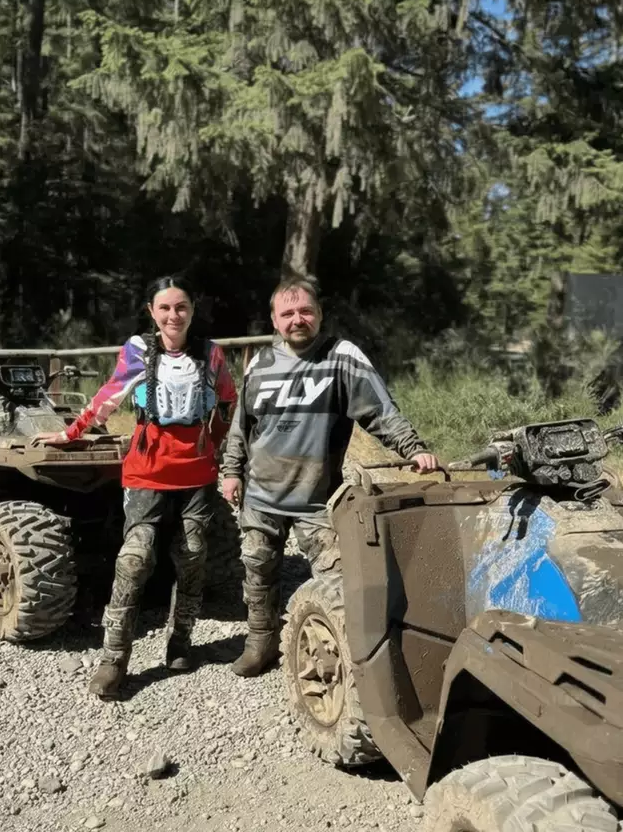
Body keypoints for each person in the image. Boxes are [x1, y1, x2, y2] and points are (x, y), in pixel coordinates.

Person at [217, 278, 439, 677]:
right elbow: (241, 427)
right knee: (257, 568)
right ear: (274, 319)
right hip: (260, 496)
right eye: (287, 313)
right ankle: (261, 642)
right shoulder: (260, 363)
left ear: (319, 314)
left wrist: (413, 448)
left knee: (338, 580)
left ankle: (343, 659)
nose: (297, 319)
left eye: (305, 311)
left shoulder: (341, 357)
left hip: (316, 499)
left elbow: (380, 410)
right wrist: (231, 472)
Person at [34, 277, 237, 699]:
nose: (173, 316)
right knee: (134, 557)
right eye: (164, 308)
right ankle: (114, 658)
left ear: (192, 310)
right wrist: (71, 432)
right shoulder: (138, 350)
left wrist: (219, 449)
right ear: (151, 312)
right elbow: (109, 395)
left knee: (194, 553)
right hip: (147, 468)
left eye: (181, 307)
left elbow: (228, 401)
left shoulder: (211, 353)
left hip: (197, 472)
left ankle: (180, 641)